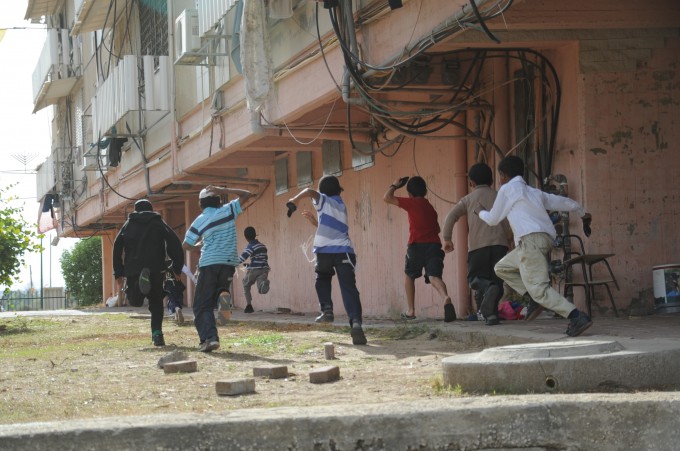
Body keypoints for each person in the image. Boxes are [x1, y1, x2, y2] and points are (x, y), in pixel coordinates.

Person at [477, 155, 594, 337]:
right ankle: (533, 298)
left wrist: (480, 212)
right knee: (502, 268)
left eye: (500, 176)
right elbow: (561, 202)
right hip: (541, 241)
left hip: (529, 242)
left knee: (540, 291)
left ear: (503, 174)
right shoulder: (533, 192)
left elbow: (493, 219)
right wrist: (582, 213)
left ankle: (577, 316)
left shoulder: (507, 189)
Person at [287, 175, 367, 345]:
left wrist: (295, 200)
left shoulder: (323, 200)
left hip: (324, 252)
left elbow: (309, 191)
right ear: (339, 190)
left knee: (322, 278)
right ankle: (356, 323)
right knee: (349, 288)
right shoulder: (341, 205)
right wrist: (316, 223)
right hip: (344, 252)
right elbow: (333, 228)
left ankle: (327, 310)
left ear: (322, 191)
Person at [183, 185, 253, 352]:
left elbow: (186, 244)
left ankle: (210, 339)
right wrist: (223, 190)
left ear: (201, 204)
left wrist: (199, 246)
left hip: (209, 263)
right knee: (216, 294)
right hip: (228, 263)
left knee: (202, 305)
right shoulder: (228, 210)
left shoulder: (200, 219)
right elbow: (247, 193)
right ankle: (223, 293)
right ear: (218, 200)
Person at [442, 163, 511, 326]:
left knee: (475, 279)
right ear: (492, 180)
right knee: (497, 280)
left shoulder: (468, 199)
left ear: (471, 183)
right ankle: (492, 316)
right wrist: (509, 239)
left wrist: (447, 238)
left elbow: (451, 216)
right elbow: (507, 221)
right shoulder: (499, 196)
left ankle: (488, 288)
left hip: (478, 247)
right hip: (500, 245)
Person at [112, 199, 184, 346]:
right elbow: (174, 242)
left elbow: (117, 246)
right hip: (156, 267)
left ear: (135, 210)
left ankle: (140, 287)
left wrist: (118, 272)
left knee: (135, 301)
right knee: (156, 302)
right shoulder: (158, 222)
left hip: (133, 268)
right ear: (151, 209)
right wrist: (177, 267)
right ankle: (157, 334)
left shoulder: (129, 224)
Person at [383, 176, 455, 322]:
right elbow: (437, 228)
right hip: (434, 246)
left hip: (416, 245)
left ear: (410, 194)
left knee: (410, 275)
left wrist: (394, 185)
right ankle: (445, 297)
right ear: (425, 191)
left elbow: (387, 198)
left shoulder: (412, 203)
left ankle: (411, 311)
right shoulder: (430, 208)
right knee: (434, 277)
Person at [239, 226, 270, 313]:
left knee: (246, 284)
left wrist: (233, 262)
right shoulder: (263, 246)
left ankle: (249, 305)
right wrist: (248, 265)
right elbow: (261, 258)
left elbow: (243, 257)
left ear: (246, 237)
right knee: (261, 289)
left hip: (254, 270)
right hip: (265, 269)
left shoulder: (251, 246)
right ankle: (263, 283)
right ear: (255, 234)